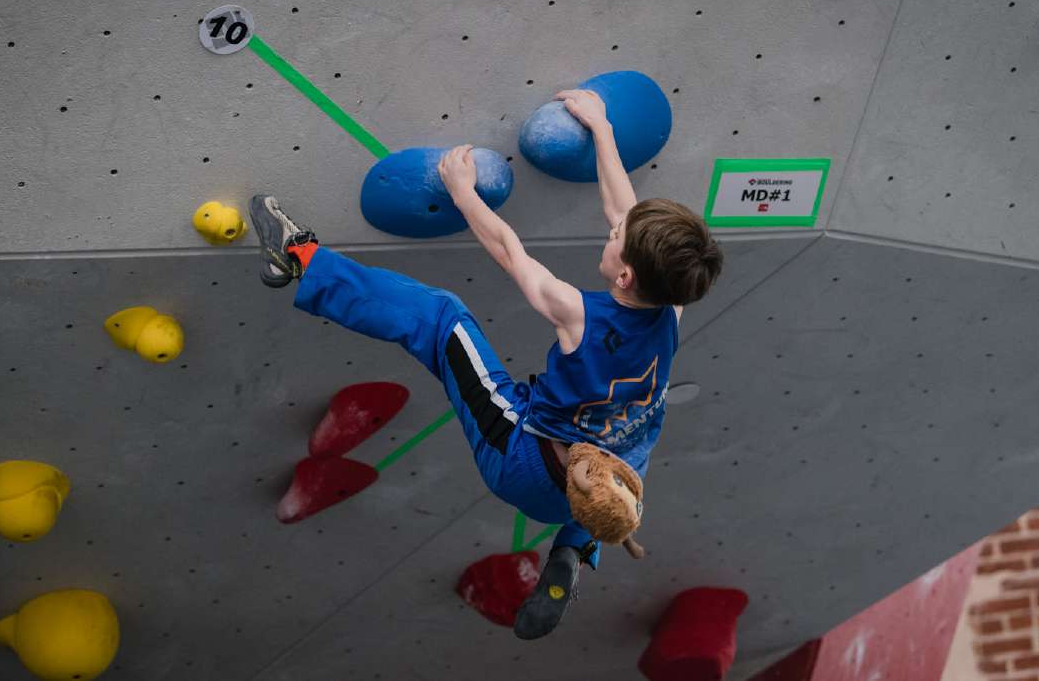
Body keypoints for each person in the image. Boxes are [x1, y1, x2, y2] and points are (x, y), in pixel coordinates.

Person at [248, 88, 723, 639]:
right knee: (629, 438)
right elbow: (627, 212)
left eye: (616, 239)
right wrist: (603, 130)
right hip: (603, 482)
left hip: (525, 463)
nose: (613, 228)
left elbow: (507, 249)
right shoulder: (674, 307)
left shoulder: (575, 313)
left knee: (439, 317)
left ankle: (301, 259)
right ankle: (571, 552)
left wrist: (463, 192)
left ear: (624, 276)